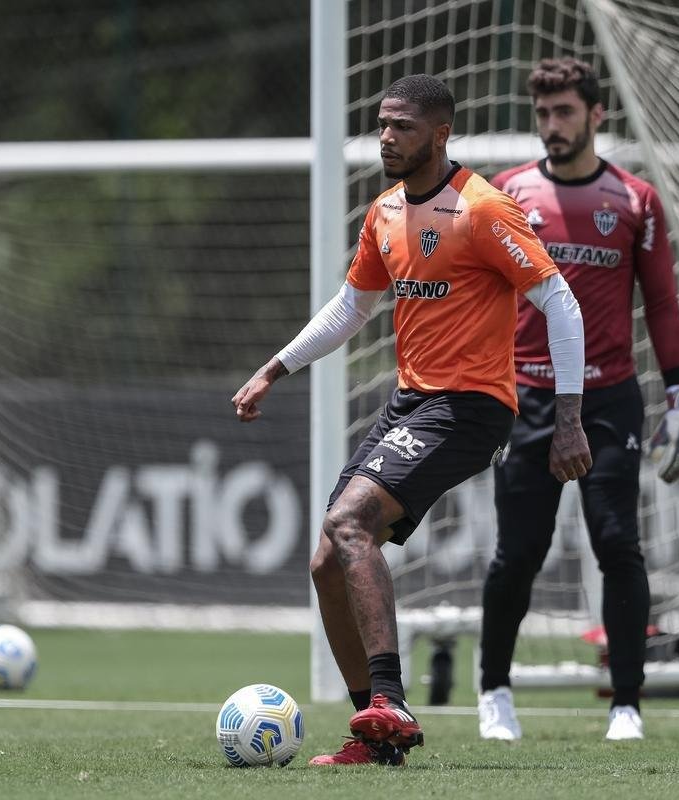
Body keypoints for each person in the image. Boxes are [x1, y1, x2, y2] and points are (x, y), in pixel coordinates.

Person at [232, 73, 591, 766]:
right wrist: (273, 369)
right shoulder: (385, 213)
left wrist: (568, 417)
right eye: (381, 125)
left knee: (347, 524)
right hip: (411, 402)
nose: (386, 138)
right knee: (325, 560)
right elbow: (350, 308)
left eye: (400, 126)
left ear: (439, 132)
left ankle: (389, 701)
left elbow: (559, 303)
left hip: (471, 406)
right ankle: (377, 735)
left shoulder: (484, 210)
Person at [476, 57, 679, 743]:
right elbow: (480, 298)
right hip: (526, 397)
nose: (552, 126)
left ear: (595, 115)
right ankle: (494, 693)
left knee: (616, 543)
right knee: (518, 553)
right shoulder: (506, 195)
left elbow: (659, 302)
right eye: (543, 114)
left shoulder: (635, 200)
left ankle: (625, 704)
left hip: (608, 398)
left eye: (564, 112)